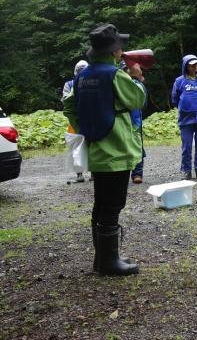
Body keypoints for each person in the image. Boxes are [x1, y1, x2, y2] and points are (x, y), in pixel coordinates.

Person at [63, 23, 144, 276]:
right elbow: (137, 100)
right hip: (117, 149)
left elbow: (69, 108)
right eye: (119, 47)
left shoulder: (82, 76)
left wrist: (85, 127)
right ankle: (109, 263)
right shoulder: (115, 75)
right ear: (113, 51)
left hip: (97, 149)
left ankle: (103, 257)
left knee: (101, 204)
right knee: (112, 205)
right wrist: (137, 77)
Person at [171, 54, 197, 180]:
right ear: (186, 66)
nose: (195, 67)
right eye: (192, 65)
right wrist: (184, 108)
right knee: (186, 147)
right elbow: (174, 98)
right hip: (186, 119)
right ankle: (186, 171)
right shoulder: (179, 81)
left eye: (196, 65)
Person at [62, 60, 89, 183]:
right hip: (74, 120)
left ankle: (94, 172)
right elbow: (65, 100)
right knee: (76, 147)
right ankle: (79, 173)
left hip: (90, 119)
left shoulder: (91, 82)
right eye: (79, 70)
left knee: (92, 145)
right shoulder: (69, 84)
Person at [127, 64, 147, 184]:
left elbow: (143, 104)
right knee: (137, 146)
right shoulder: (139, 85)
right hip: (133, 121)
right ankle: (137, 174)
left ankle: (136, 173)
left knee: (134, 146)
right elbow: (144, 104)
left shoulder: (137, 85)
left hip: (131, 120)